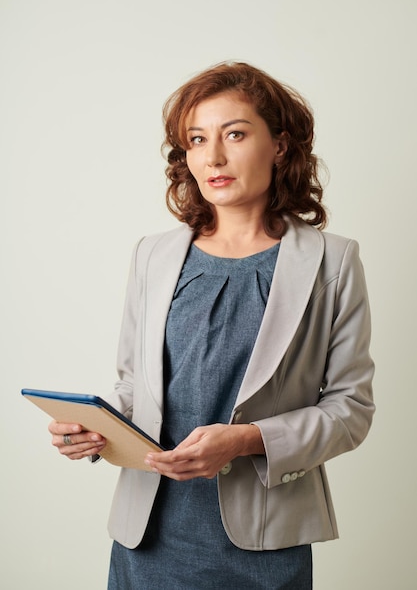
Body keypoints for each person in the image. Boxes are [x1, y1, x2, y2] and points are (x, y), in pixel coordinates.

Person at [48, 61, 375, 589]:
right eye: (197, 140)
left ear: (281, 145)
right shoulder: (153, 256)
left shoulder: (331, 262)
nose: (213, 156)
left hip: (266, 545)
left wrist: (245, 439)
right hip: (148, 538)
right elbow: (135, 387)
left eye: (236, 134)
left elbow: (350, 410)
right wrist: (96, 431)